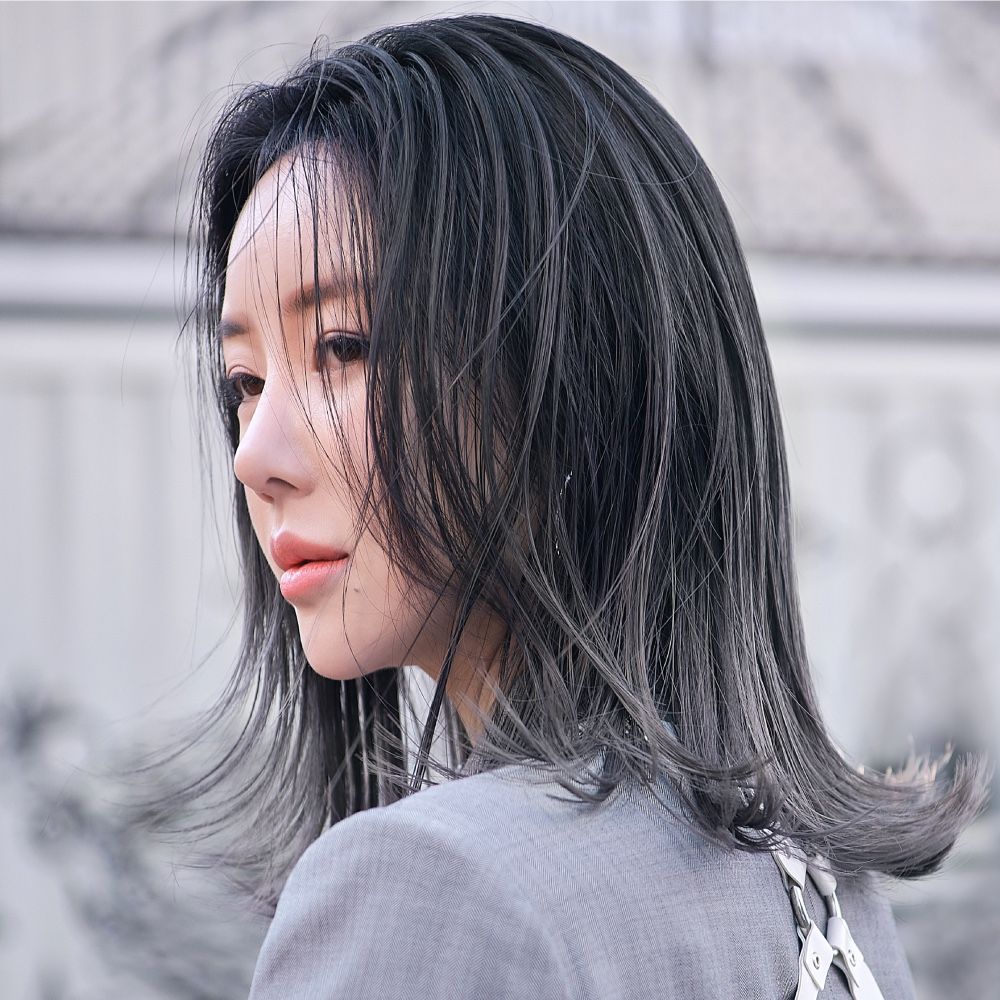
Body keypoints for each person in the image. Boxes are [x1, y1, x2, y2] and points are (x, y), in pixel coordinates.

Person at [169, 12, 990, 998]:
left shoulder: (434, 887)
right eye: (244, 382)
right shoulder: (816, 887)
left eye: (345, 346)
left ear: (574, 379)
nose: (254, 455)